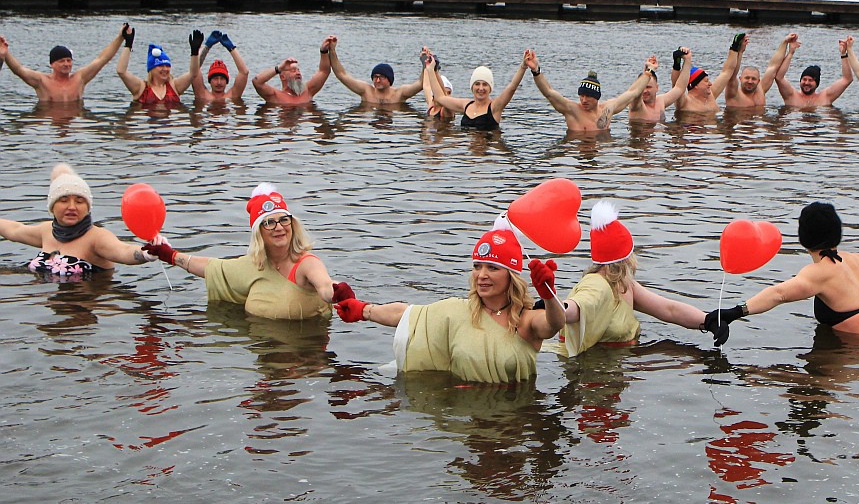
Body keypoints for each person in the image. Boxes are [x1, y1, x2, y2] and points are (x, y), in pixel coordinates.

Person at [333, 219, 565, 384]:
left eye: (493, 268)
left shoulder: (526, 320)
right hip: (466, 416)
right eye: (477, 266)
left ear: (511, 276)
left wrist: (548, 295)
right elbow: (407, 315)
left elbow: (555, 323)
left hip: (515, 418)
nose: (481, 275)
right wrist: (363, 310)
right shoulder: (459, 311)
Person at [703, 202, 859, 341]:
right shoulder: (857, 260)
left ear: (804, 238)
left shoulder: (818, 272)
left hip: (858, 350)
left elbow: (779, 294)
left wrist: (734, 313)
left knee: (809, 390)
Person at [533, 201, 717, 356]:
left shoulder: (623, 284)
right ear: (627, 257)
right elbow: (575, 308)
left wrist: (709, 321)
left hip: (618, 365)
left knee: (674, 353)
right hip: (596, 372)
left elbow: (669, 310)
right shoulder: (596, 284)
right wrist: (553, 302)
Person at [141, 184, 350, 320]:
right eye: (269, 222)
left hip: (305, 355)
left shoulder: (307, 263)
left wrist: (338, 293)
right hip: (263, 350)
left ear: (292, 224)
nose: (278, 227)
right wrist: (169, 255)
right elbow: (213, 268)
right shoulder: (254, 265)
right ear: (258, 232)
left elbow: (324, 286)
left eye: (283, 220)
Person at [0, 163, 156, 280]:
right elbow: (14, 230)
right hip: (49, 304)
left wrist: (146, 253)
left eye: (79, 201)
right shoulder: (46, 230)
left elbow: (123, 251)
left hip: (83, 304)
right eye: (64, 200)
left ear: (88, 207)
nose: (72, 207)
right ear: (52, 206)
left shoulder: (96, 237)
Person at [524, 50, 656, 132]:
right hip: (578, 151)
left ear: (597, 97)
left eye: (588, 96)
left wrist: (649, 71)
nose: (584, 100)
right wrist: (536, 70)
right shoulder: (571, 110)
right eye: (581, 96)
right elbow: (548, 92)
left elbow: (633, 92)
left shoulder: (608, 109)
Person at [0, 25, 129, 104]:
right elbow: (18, 69)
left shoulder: (79, 78)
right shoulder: (42, 81)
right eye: (61, 61)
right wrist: (5, 53)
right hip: (49, 122)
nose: (66, 64)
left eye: (69, 60)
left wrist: (120, 37)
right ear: (52, 64)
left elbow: (102, 59)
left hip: (74, 123)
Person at [425, 51, 528, 130]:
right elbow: (440, 97)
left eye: (485, 84)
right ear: (472, 87)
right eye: (477, 84)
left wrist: (523, 67)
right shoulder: (466, 105)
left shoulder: (495, 107)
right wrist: (430, 70)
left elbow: (512, 87)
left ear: (490, 88)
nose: (481, 88)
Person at [327, 38, 424, 107]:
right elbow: (341, 75)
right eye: (375, 77)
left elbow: (421, 83)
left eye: (381, 77)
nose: (377, 80)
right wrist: (332, 50)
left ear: (389, 79)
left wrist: (425, 64)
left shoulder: (399, 94)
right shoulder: (366, 91)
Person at [775, 35, 855, 108]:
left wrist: (843, 54)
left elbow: (847, 79)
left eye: (810, 80)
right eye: (804, 79)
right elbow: (779, 77)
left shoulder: (826, 97)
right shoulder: (791, 96)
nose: (806, 83)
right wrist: (790, 53)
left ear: (817, 83)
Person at [673, 35, 743, 117]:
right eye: (706, 81)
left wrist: (735, 47)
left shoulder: (710, 96)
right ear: (695, 85)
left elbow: (727, 72)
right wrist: (677, 63)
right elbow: (676, 87)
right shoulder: (684, 102)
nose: (710, 84)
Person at [252, 36, 333, 105]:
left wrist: (324, 51)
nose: (298, 73)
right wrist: (279, 68)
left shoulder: (308, 91)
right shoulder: (275, 96)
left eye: (298, 70)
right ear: (283, 77)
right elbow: (257, 82)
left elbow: (324, 71)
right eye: (293, 71)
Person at [116, 39, 193, 107]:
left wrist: (194, 53)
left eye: (167, 66)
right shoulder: (141, 87)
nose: (165, 69)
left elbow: (193, 73)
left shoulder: (174, 86)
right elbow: (121, 71)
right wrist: (128, 45)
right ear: (151, 69)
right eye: (160, 66)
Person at [723, 33, 789, 109]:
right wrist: (740, 52)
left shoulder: (761, 90)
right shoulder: (733, 95)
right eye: (747, 78)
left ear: (758, 81)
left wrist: (785, 42)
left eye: (753, 79)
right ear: (740, 79)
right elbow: (732, 74)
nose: (750, 81)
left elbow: (773, 67)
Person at [630, 48, 691, 123]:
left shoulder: (660, 101)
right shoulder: (637, 106)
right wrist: (648, 69)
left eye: (648, 87)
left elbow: (679, 88)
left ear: (657, 88)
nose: (645, 91)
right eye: (642, 88)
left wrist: (687, 60)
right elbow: (635, 95)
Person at [191, 30, 249, 105]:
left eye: (222, 78)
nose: (219, 82)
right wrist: (207, 47)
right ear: (210, 81)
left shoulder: (232, 96)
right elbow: (194, 70)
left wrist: (231, 48)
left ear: (227, 81)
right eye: (215, 78)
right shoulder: (202, 95)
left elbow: (244, 72)